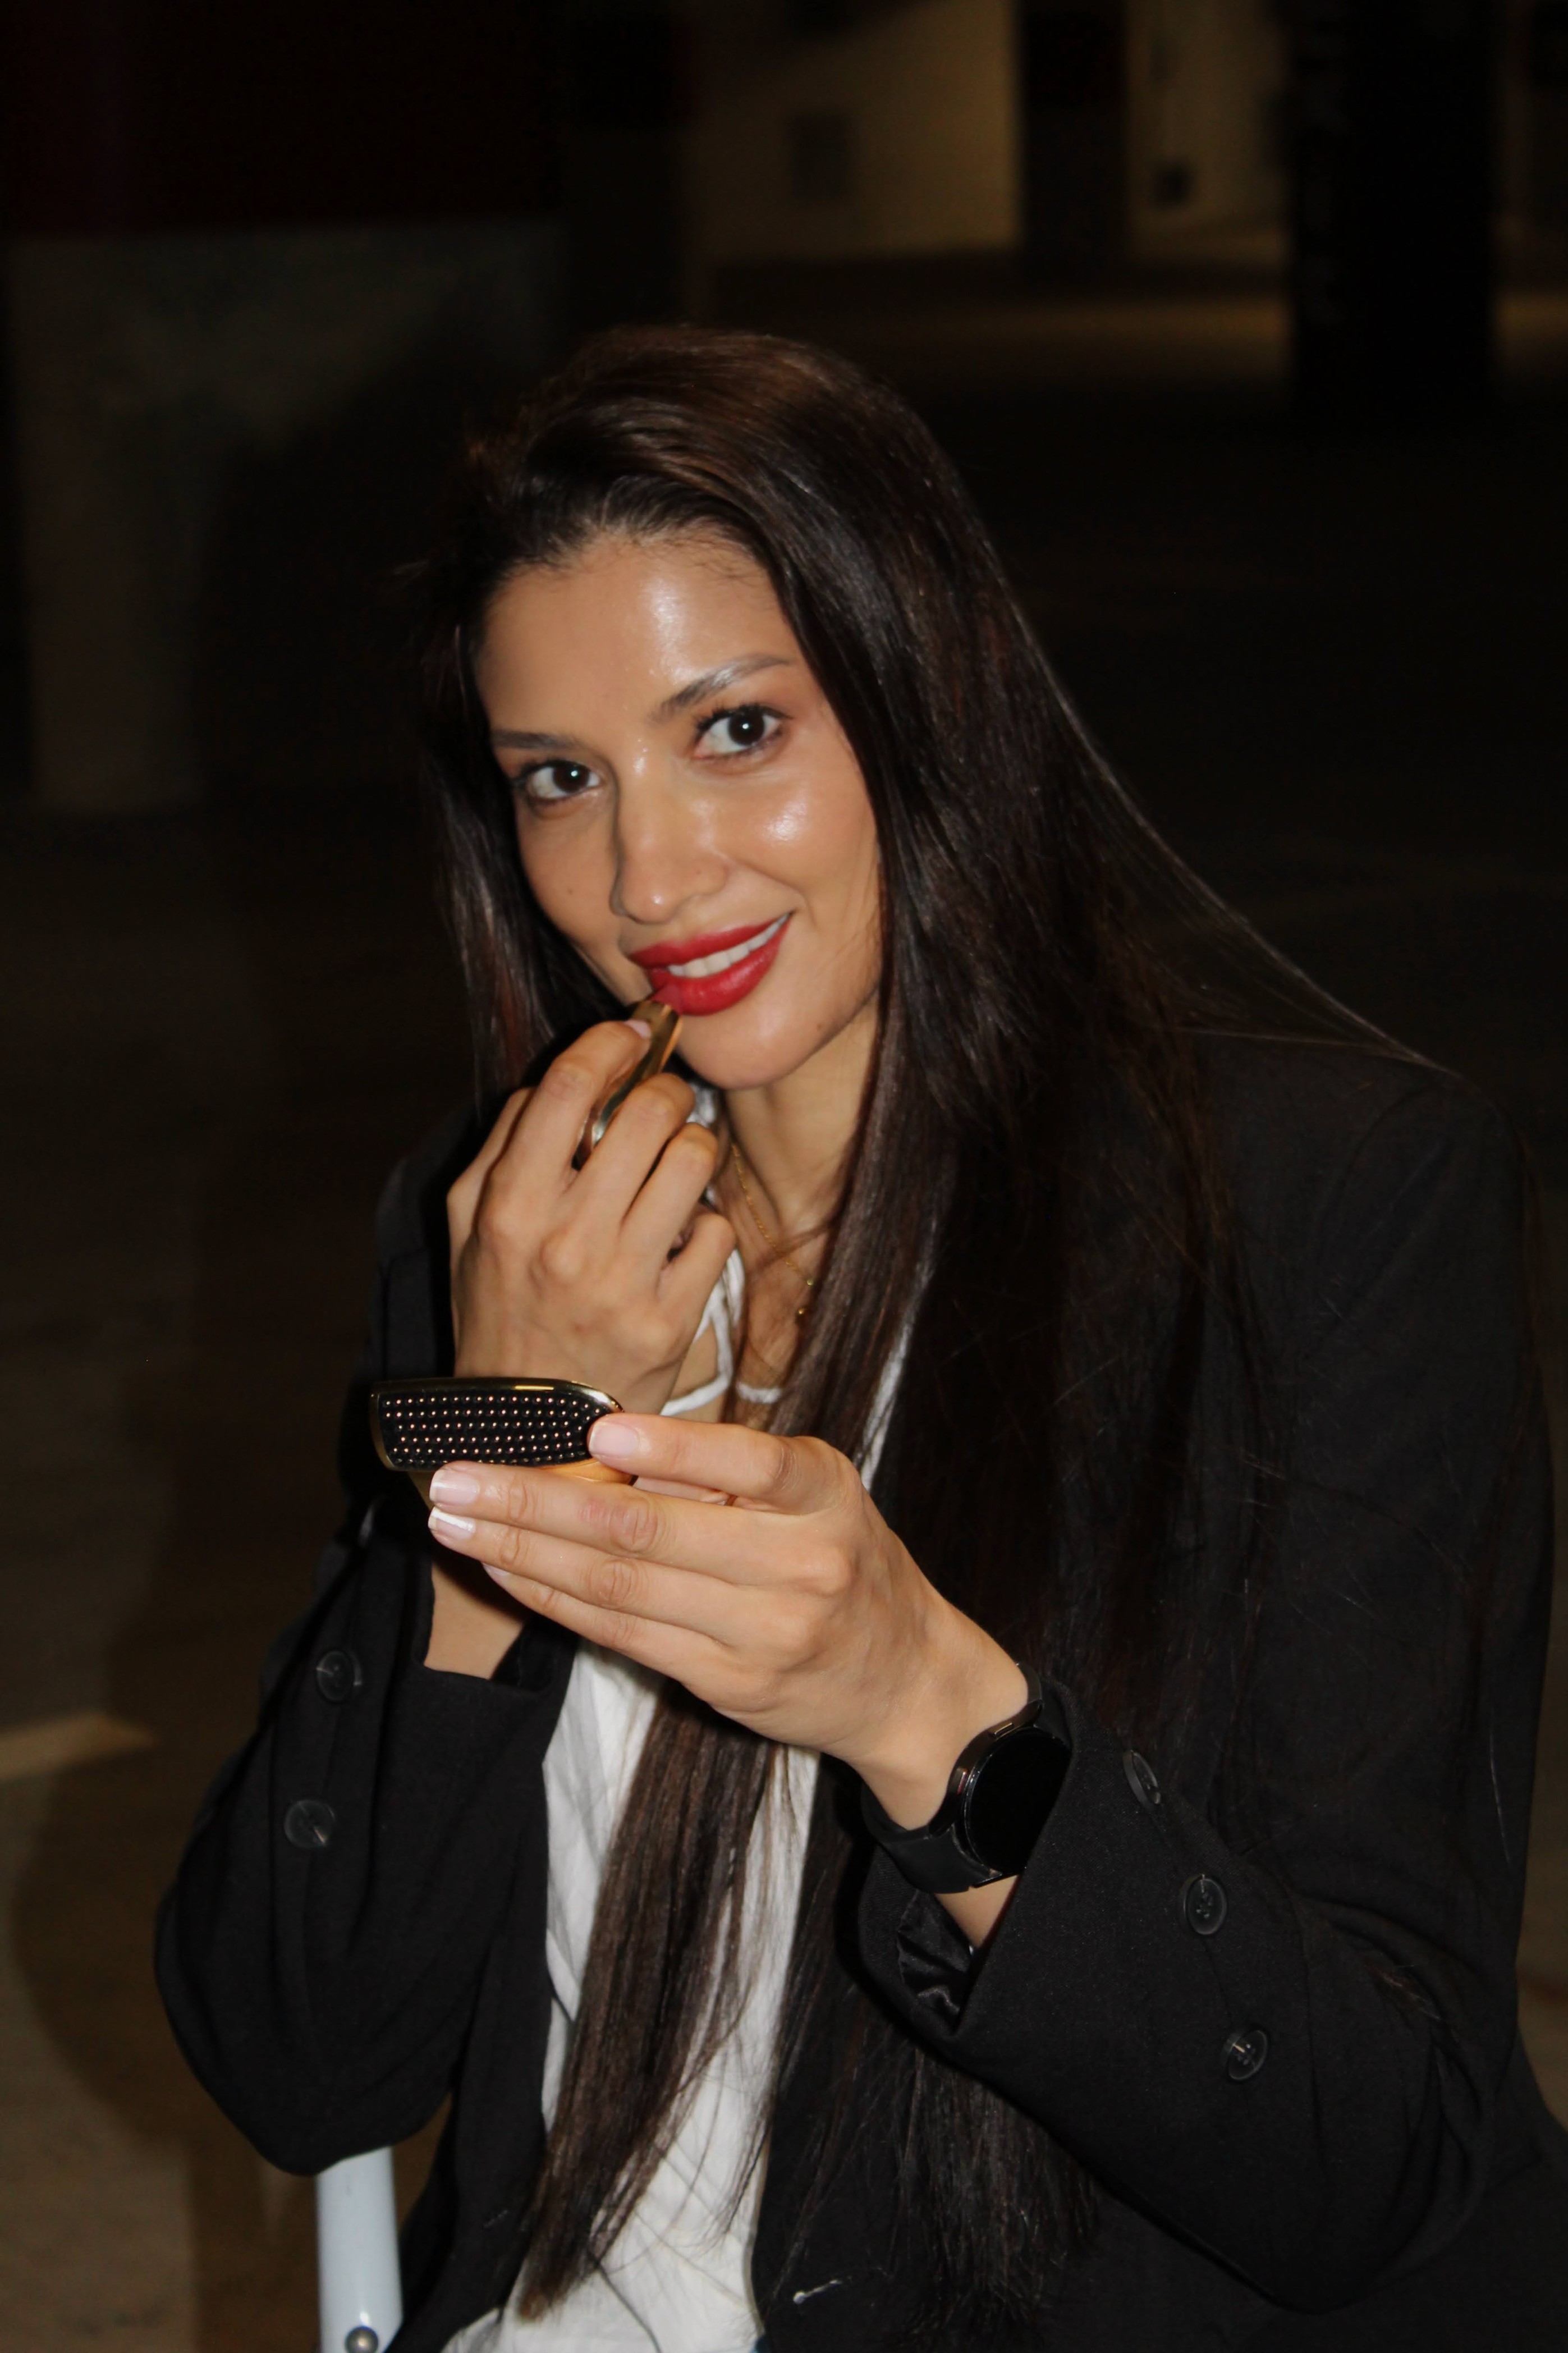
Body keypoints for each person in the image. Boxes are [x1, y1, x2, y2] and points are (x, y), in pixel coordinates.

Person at [156, 327, 1568, 2352]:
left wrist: (921, 1706)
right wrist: (494, 1446)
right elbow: (302, 2065)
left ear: (925, 702)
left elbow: (1366, 2164)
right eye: (561, 779)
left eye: (734, 732)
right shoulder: (507, 1236)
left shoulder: (1323, 1213)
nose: (647, 877)